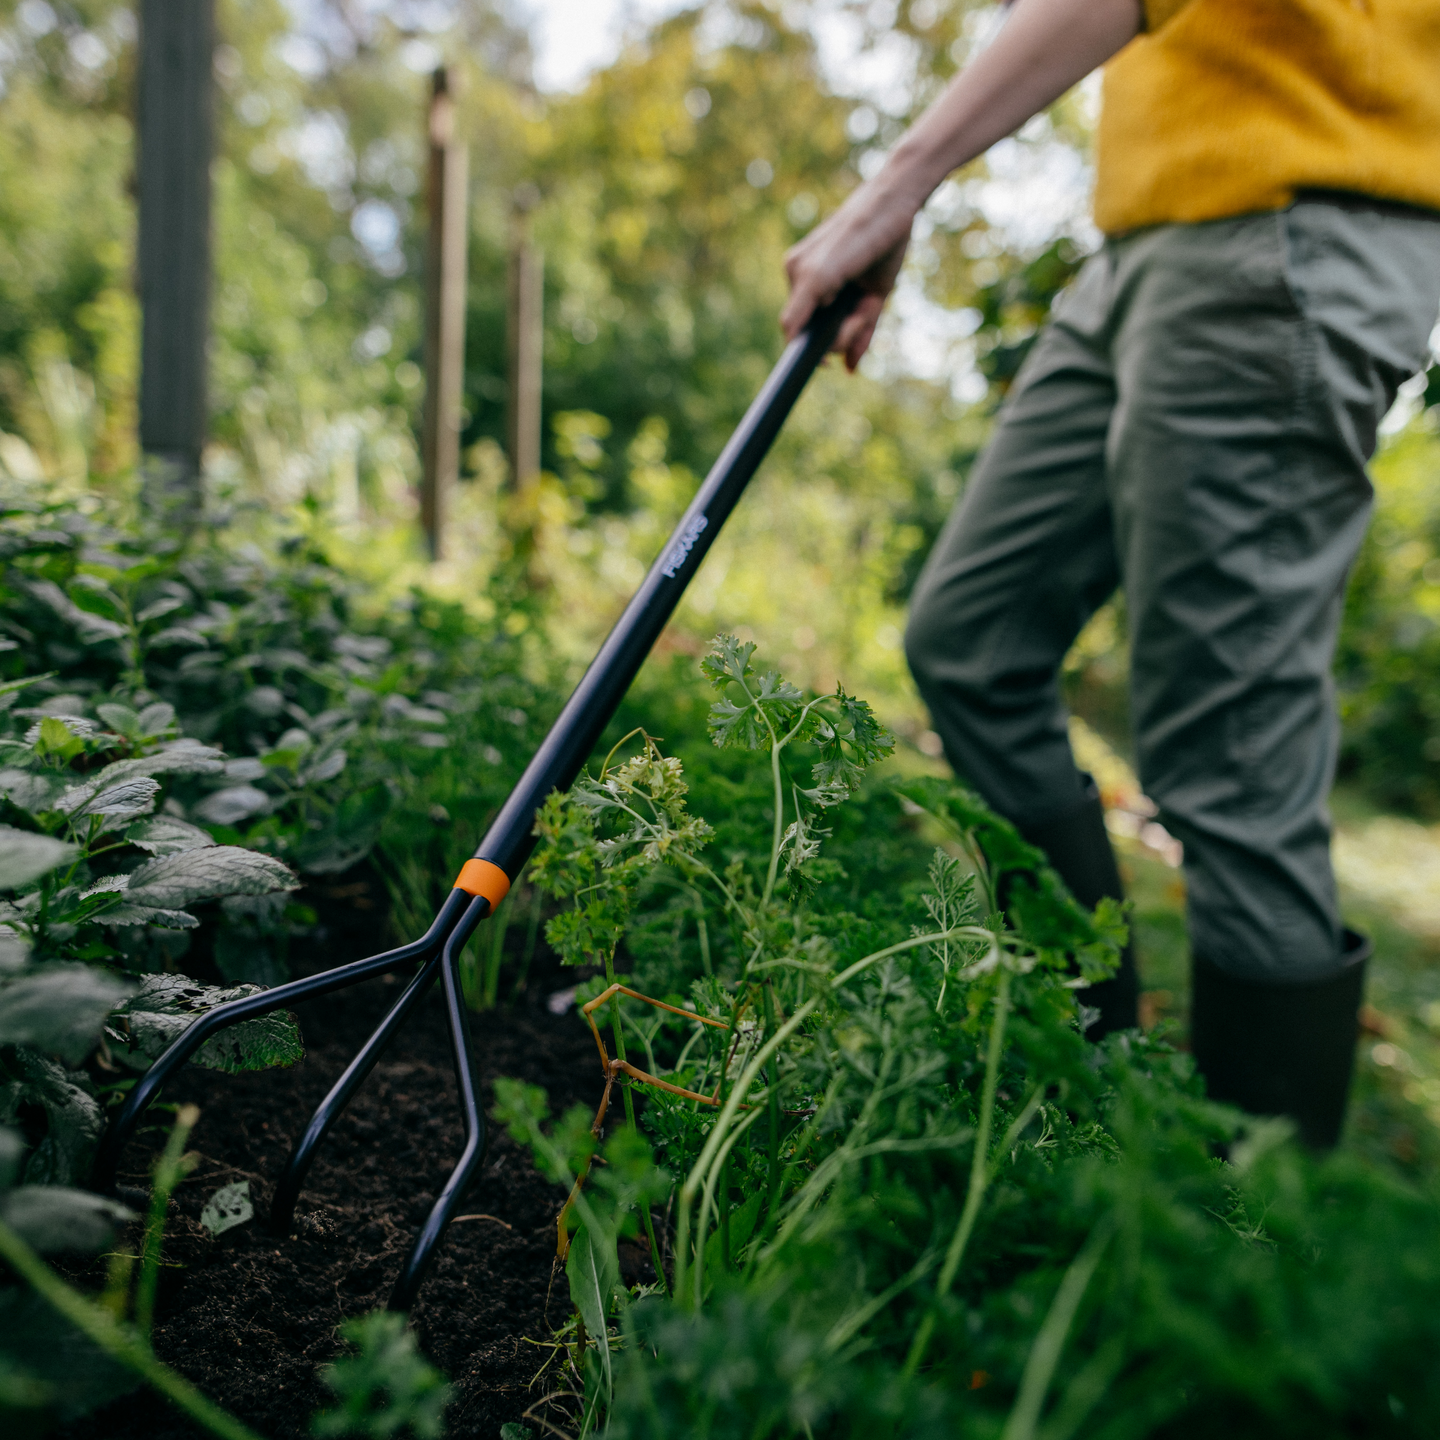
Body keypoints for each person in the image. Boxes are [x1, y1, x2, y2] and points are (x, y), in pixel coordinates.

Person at [781, 0, 1440, 1148]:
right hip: (1151, 236)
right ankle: (1084, 1089)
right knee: (970, 642)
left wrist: (904, 178)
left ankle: (1236, 1261)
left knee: (1229, 768)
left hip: (1297, 217)